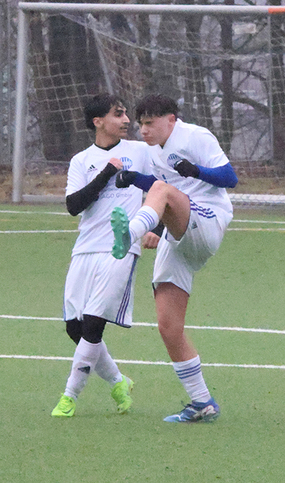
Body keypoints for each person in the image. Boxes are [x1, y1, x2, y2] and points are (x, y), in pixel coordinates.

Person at [112, 94, 238, 423]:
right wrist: (134, 179)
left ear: (171, 119)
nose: (143, 130)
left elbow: (230, 178)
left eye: (149, 123)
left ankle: (131, 233)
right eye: (140, 124)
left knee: (164, 192)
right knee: (168, 326)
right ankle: (202, 403)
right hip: (178, 232)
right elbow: (160, 186)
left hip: (208, 218)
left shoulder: (195, 136)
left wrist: (196, 170)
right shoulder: (154, 150)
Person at [51, 93, 157, 418]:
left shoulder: (140, 152)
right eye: (117, 114)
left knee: (94, 324)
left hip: (121, 248)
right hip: (85, 249)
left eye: (125, 114)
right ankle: (117, 381)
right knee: (75, 327)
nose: (126, 120)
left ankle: (69, 397)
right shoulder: (81, 160)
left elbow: (160, 188)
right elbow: (73, 206)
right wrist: (106, 173)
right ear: (98, 122)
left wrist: (157, 226)